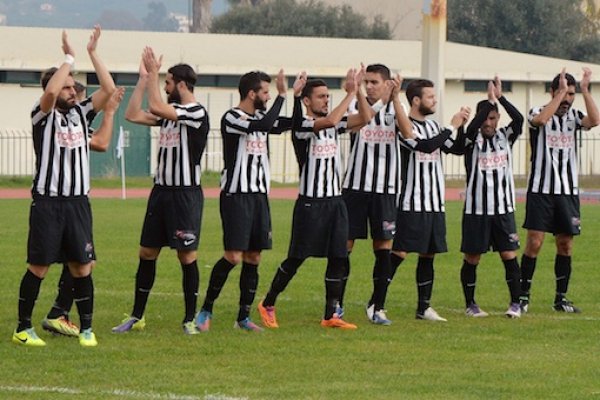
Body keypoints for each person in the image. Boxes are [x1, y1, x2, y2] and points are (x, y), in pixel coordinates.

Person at [12, 27, 116, 347]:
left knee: (82, 267)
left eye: (74, 87)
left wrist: (92, 53)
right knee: (39, 267)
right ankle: (23, 328)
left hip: (78, 204)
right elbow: (51, 93)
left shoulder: (81, 115)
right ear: (54, 89)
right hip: (48, 203)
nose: (74, 92)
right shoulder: (41, 114)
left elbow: (109, 89)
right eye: (68, 87)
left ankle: (86, 329)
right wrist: (68, 58)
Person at [258, 69, 370, 330]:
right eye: (321, 96)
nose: (326, 100)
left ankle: (331, 315)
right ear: (307, 101)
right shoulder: (303, 126)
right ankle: (268, 302)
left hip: (336, 202)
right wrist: (350, 93)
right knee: (297, 257)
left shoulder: (334, 125)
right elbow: (330, 120)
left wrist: (359, 92)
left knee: (339, 257)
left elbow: (366, 118)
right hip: (311, 204)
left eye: (328, 96)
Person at [114, 47, 209, 335]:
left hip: (185, 195)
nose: (165, 88)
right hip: (161, 193)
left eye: (168, 83)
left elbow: (156, 106)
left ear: (182, 85)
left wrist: (154, 73)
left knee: (186, 256)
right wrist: (144, 80)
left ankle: (189, 319)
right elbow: (132, 114)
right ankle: (137, 316)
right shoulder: (169, 115)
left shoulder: (195, 112)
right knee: (147, 252)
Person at [195, 70, 291, 332]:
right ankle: (205, 310)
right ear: (251, 94)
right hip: (236, 195)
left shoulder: (262, 117)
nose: (268, 97)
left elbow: (286, 123)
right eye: (265, 92)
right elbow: (262, 127)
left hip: (259, 196)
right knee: (233, 255)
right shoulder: (232, 117)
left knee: (254, 256)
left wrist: (300, 97)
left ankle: (243, 318)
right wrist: (283, 96)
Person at [41, 81, 124, 338]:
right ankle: (56, 313)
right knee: (71, 262)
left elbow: (101, 142)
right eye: (76, 95)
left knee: (82, 260)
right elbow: (100, 143)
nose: (80, 102)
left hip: (76, 202)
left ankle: (59, 312)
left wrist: (109, 112)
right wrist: (109, 112)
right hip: (59, 201)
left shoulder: (76, 121)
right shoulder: (56, 120)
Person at [519, 68, 599, 314]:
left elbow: (595, 120)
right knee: (535, 243)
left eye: (571, 95)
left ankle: (560, 299)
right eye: (564, 93)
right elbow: (541, 121)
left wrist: (585, 90)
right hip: (540, 190)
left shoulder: (574, 116)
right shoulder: (537, 111)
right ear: (553, 92)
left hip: (567, 192)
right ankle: (522, 297)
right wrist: (560, 94)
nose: (567, 99)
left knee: (565, 244)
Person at [339, 63, 412, 325]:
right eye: (366, 82)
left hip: (386, 189)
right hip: (355, 188)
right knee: (344, 246)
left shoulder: (396, 107)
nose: (369, 86)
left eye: (374, 82)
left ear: (387, 83)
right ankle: (336, 304)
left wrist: (396, 98)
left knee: (383, 248)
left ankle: (377, 306)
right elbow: (359, 123)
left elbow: (407, 132)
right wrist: (356, 90)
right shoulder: (354, 104)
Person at [392, 79, 470, 322]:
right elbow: (425, 147)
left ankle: (423, 307)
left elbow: (456, 148)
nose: (435, 100)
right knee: (400, 252)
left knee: (429, 254)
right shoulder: (405, 125)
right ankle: (377, 301)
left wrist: (461, 127)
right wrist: (451, 125)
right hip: (412, 201)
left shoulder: (434, 126)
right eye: (430, 97)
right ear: (416, 100)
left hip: (434, 202)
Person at [456, 77, 524, 318]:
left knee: (509, 255)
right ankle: (470, 304)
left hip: (503, 209)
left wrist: (499, 98)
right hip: (476, 210)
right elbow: (470, 129)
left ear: (498, 119)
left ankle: (515, 303)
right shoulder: (470, 140)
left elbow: (519, 119)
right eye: (485, 118)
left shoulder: (505, 136)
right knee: (472, 258)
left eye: (493, 118)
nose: (488, 122)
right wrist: (486, 105)